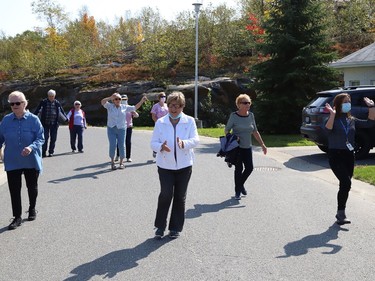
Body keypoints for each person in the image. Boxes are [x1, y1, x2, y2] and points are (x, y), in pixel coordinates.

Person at [151, 91, 199, 239]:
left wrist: (183, 143)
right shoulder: (161, 122)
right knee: (165, 194)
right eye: (171, 106)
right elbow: (153, 143)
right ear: (168, 106)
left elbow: (196, 140)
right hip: (165, 166)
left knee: (180, 196)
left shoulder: (189, 121)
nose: (174, 109)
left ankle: (175, 228)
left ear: (182, 107)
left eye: (177, 106)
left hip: (184, 166)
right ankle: (160, 226)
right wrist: (161, 147)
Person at [325, 93, 375, 225]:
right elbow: (327, 130)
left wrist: (372, 107)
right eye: (345, 101)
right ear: (338, 104)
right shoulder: (333, 118)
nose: (348, 104)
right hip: (336, 155)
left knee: (345, 185)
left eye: (349, 101)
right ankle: (341, 213)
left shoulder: (351, 119)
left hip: (349, 155)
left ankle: (340, 213)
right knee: (346, 183)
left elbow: (369, 123)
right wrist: (332, 115)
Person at [0, 91, 44, 230]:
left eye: (17, 103)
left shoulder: (34, 119)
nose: (14, 105)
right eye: (12, 103)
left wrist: (31, 147)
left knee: (32, 187)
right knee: (14, 190)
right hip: (12, 160)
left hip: (30, 160)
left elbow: (40, 138)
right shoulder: (6, 120)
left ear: (25, 103)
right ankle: (17, 217)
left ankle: (32, 208)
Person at [225, 94, 267, 200]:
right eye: (245, 103)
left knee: (249, 168)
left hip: (247, 147)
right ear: (239, 105)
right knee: (238, 169)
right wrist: (233, 137)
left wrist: (262, 144)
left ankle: (240, 185)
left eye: (249, 102)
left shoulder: (251, 115)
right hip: (237, 147)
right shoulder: (234, 116)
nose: (247, 104)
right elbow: (227, 130)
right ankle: (237, 191)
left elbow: (255, 131)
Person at [101, 93, 147, 170]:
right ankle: (112, 162)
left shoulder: (124, 107)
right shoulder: (109, 106)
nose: (118, 100)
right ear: (113, 100)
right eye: (116, 99)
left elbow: (135, 107)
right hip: (111, 128)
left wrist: (142, 101)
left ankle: (121, 163)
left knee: (122, 145)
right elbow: (102, 102)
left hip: (121, 128)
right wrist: (110, 97)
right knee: (112, 145)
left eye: (119, 99)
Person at [34, 89, 67, 157]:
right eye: (50, 96)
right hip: (45, 123)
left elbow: (62, 111)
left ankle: (51, 152)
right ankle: (43, 152)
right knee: (45, 138)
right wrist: (33, 118)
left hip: (54, 124)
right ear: (48, 96)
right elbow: (37, 110)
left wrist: (66, 119)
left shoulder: (57, 103)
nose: (51, 97)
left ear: (54, 96)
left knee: (53, 138)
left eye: (52, 96)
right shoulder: (43, 102)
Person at [115, 95, 139, 162]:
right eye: (123, 99)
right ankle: (118, 155)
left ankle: (128, 157)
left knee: (128, 142)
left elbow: (137, 115)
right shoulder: (119, 107)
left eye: (125, 99)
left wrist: (133, 112)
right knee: (120, 142)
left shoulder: (129, 107)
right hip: (121, 127)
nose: (124, 100)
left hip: (129, 127)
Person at [150, 92, 168, 158]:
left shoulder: (167, 105)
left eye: (164, 96)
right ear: (159, 98)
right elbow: (153, 116)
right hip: (159, 124)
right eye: (162, 97)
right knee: (159, 138)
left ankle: (164, 151)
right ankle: (155, 150)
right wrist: (158, 123)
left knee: (165, 138)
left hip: (166, 125)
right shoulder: (156, 106)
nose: (163, 98)